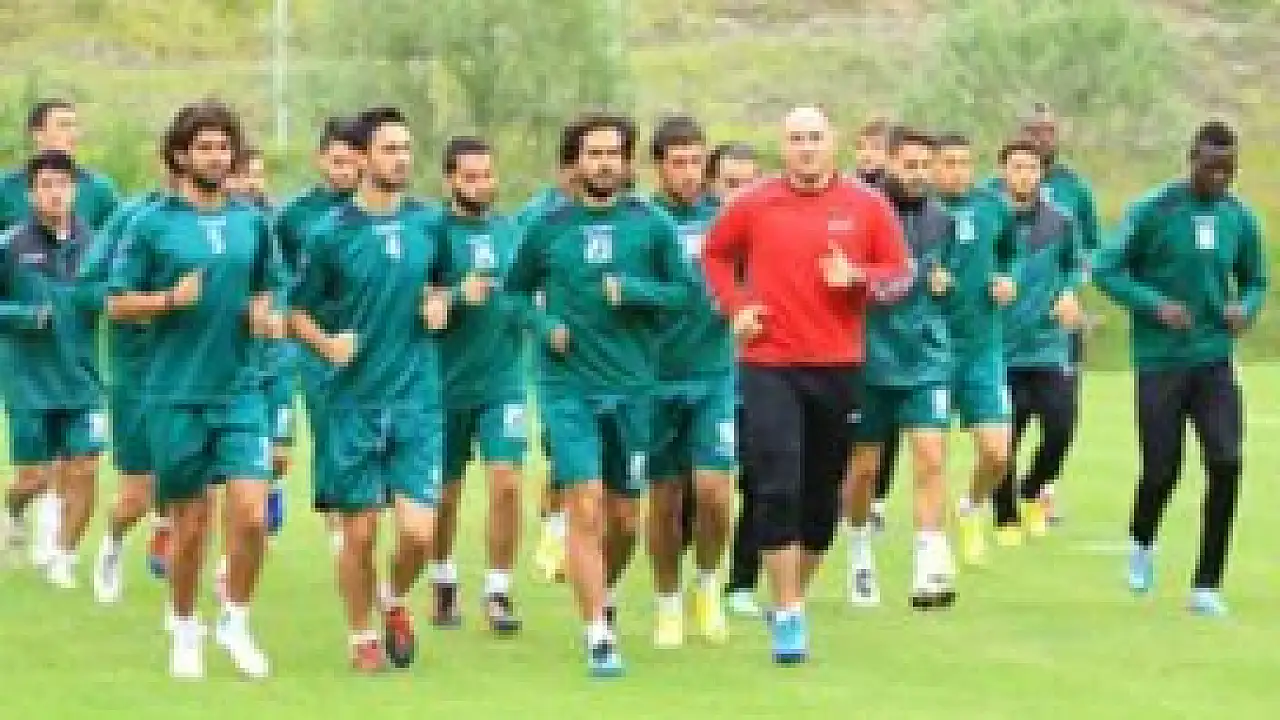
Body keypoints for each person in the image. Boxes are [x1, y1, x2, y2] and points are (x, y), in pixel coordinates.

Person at [701, 106, 908, 664]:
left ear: (832, 143)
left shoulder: (868, 205)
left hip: (838, 365)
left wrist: (856, 277)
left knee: (821, 497)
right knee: (776, 483)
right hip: (769, 362)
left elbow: (899, 276)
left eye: (815, 137)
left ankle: (791, 597)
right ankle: (789, 614)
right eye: (796, 138)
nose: (806, 147)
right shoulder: (753, 203)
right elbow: (714, 255)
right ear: (783, 145)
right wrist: (736, 306)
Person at [105, 99, 286, 680]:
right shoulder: (150, 224)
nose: (216, 156)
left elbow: (267, 287)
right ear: (181, 155)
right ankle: (185, 627)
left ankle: (236, 618)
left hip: (241, 390)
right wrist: (168, 300)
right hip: (174, 393)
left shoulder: (252, 223)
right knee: (190, 526)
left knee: (252, 515)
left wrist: (263, 313)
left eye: (224, 146)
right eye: (204, 147)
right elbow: (116, 304)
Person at [507, 111, 691, 677]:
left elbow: (686, 294)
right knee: (583, 503)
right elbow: (513, 295)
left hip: (633, 387)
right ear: (576, 163)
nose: (605, 163)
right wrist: (545, 327)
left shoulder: (652, 225)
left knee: (625, 520)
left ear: (627, 161)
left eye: (613, 153)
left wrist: (633, 290)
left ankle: (602, 596)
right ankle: (597, 636)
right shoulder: (547, 227)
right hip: (568, 387)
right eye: (594, 153)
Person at [290, 106, 450, 672]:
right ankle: (361, 637)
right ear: (361, 158)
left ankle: (394, 598)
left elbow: (440, 284)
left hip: (416, 400)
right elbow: (296, 312)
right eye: (389, 149)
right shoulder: (329, 235)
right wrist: (326, 344)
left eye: (406, 148)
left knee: (419, 533)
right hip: (351, 402)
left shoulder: (430, 224)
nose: (402, 159)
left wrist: (439, 304)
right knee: (358, 536)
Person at [1095, 121, 1267, 618]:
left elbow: (1255, 279)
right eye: (1212, 168)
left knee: (1227, 463)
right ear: (1192, 158)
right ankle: (1142, 540)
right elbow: (1106, 269)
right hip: (1161, 362)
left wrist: (1245, 308)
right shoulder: (1153, 210)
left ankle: (1206, 584)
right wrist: (1154, 305)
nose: (1221, 178)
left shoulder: (1239, 217)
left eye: (1229, 169)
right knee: (1161, 469)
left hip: (1214, 360)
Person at [0, 98, 119, 570]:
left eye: (75, 125)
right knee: (35, 475)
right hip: (28, 372)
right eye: (61, 124)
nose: (71, 133)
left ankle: (60, 555)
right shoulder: (9, 224)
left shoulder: (99, 202)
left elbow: (121, 262)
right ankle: (15, 509)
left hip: (82, 369)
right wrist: (24, 315)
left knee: (83, 464)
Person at [843, 128, 957, 610]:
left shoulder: (942, 220)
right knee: (865, 469)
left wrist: (945, 284)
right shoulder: (861, 212)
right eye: (909, 164)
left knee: (930, 456)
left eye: (925, 165)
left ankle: (928, 565)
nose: (918, 174)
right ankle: (859, 551)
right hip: (869, 357)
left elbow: (943, 281)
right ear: (888, 162)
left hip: (926, 357)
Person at [426, 136, 526, 635]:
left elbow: (529, 292)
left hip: (503, 383)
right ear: (449, 180)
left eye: (487, 175)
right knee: (445, 495)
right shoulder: (431, 233)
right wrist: (455, 297)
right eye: (470, 177)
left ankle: (498, 590)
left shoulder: (512, 232)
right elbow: (420, 309)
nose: (482, 184)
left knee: (507, 484)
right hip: (444, 385)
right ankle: (442, 578)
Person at [645, 116, 734, 648]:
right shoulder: (642, 221)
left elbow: (754, 279)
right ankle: (667, 602)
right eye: (677, 163)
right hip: (654, 379)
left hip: (714, 375)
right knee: (664, 497)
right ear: (659, 167)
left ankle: (707, 584)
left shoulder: (727, 219)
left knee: (714, 492)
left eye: (696, 162)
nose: (688, 173)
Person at [85, 160, 181, 602]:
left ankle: (188, 604)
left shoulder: (229, 220)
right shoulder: (132, 217)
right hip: (138, 371)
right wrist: (143, 306)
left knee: (194, 485)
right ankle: (113, 543)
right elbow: (90, 284)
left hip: (197, 371)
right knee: (136, 496)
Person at [990, 139, 1085, 545]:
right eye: (1016, 167)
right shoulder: (987, 219)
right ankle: (1006, 516)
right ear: (1002, 172)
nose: (1024, 175)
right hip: (999, 348)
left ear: (1041, 173)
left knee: (1061, 428)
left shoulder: (1061, 222)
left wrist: (1069, 292)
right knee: (1004, 438)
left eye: (1031, 168)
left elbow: (1075, 265)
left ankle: (1033, 488)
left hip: (1048, 346)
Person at [275, 116, 363, 555]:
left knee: (364, 428)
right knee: (328, 427)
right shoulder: (295, 216)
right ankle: (337, 526)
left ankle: (362, 511)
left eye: (352, 162)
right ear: (321, 160)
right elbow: (277, 276)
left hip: (370, 339)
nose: (345, 171)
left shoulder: (379, 211)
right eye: (337, 161)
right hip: (315, 342)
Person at [934, 133, 1018, 567]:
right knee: (933, 457)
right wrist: (927, 277)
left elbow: (1010, 252)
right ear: (933, 166)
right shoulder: (921, 211)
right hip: (931, 352)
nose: (957, 171)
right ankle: (934, 546)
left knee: (998, 453)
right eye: (948, 163)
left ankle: (970, 507)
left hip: (983, 349)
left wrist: (1007, 277)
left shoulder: (993, 206)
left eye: (964, 163)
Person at [1018, 102, 1101, 522]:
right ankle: (999, 491)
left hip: (1060, 323)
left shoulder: (1075, 189)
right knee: (1011, 413)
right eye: (1034, 131)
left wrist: (1071, 288)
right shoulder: (994, 191)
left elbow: (1092, 250)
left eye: (1048, 131)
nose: (1042, 138)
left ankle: (1042, 488)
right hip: (1011, 324)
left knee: (1060, 415)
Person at [705, 141, 765, 618]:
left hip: (761, 378)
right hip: (698, 380)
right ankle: (693, 570)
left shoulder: (773, 236)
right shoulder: (697, 241)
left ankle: (741, 582)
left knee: (761, 480)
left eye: (748, 184)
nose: (739, 194)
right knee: (697, 490)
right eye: (730, 184)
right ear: (712, 185)